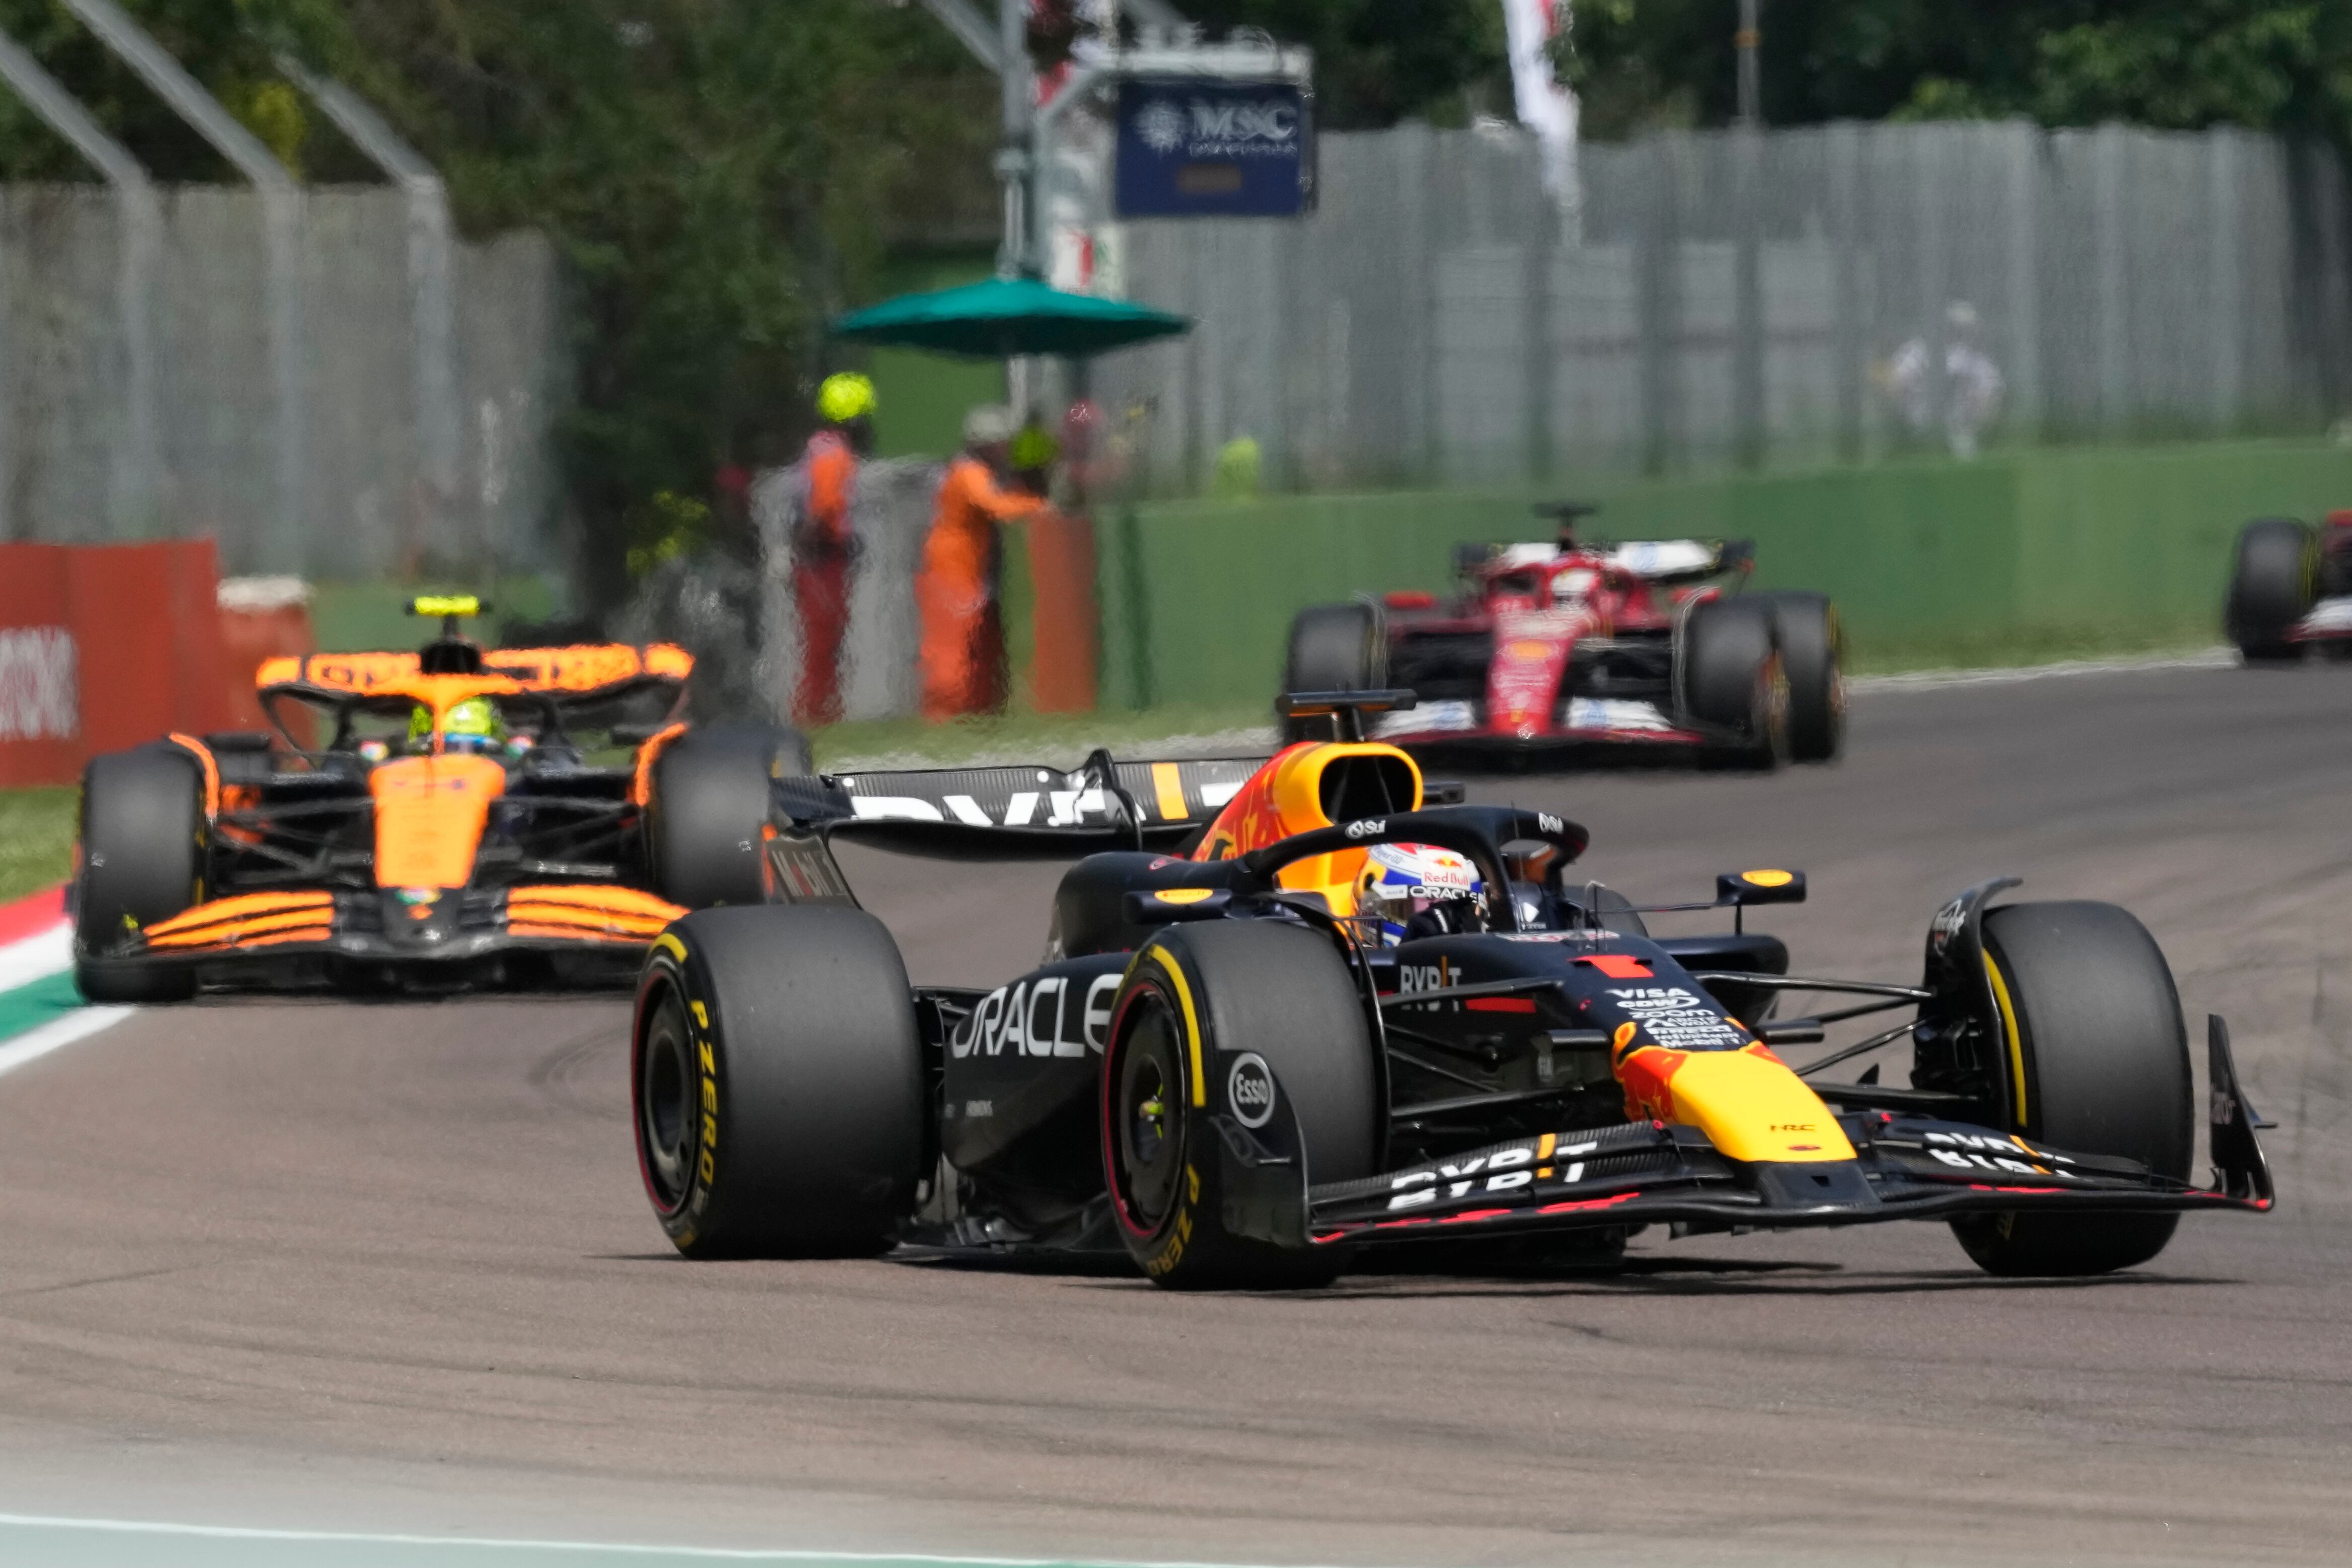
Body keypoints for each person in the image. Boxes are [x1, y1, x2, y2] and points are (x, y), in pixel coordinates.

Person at [918, 404, 1047, 721]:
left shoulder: (978, 471)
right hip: (952, 571)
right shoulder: (968, 472)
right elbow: (996, 506)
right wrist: (1037, 504)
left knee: (980, 647)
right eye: (1003, 441)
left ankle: (981, 714)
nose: (1008, 448)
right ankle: (942, 718)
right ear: (986, 443)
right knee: (952, 650)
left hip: (971, 568)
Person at [793, 373, 876, 726]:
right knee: (825, 641)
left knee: (824, 641)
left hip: (818, 554)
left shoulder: (821, 446)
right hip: (825, 557)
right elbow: (826, 507)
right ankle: (818, 714)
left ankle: (824, 711)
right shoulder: (834, 453)